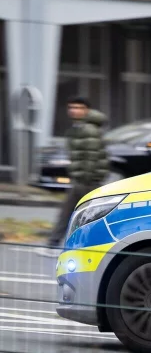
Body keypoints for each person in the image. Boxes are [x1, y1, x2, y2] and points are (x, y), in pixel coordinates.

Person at [37, 97, 109, 257]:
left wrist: (86, 179)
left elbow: (91, 157)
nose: (74, 110)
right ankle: (55, 245)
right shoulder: (79, 128)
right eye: (71, 107)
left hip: (87, 182)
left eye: (78, 107)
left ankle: (55, 245)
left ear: (87, 110)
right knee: (72, 214)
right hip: (82, 181)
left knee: (80, 215)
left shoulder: (88, 130)